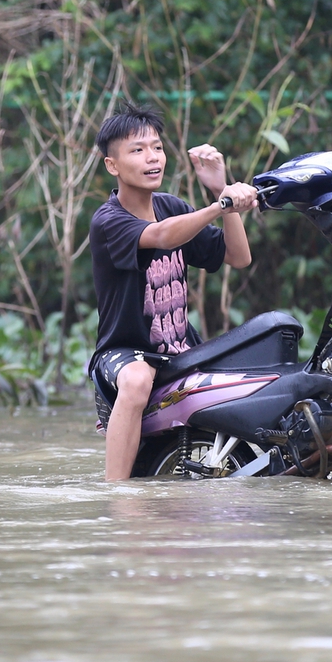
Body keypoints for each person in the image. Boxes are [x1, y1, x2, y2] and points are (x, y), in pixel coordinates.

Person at [87, 104, 259, 481]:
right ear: (112, 165)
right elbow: (162, 236)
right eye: (137, 150)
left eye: (157, 148)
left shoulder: (172, 207)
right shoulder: (108, 220)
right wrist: (221, 205)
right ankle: (117, 496)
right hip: (124, 353)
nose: (152, 158)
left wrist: (220, 188)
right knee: (136, 380)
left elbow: (239, 256)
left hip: (182, 352)